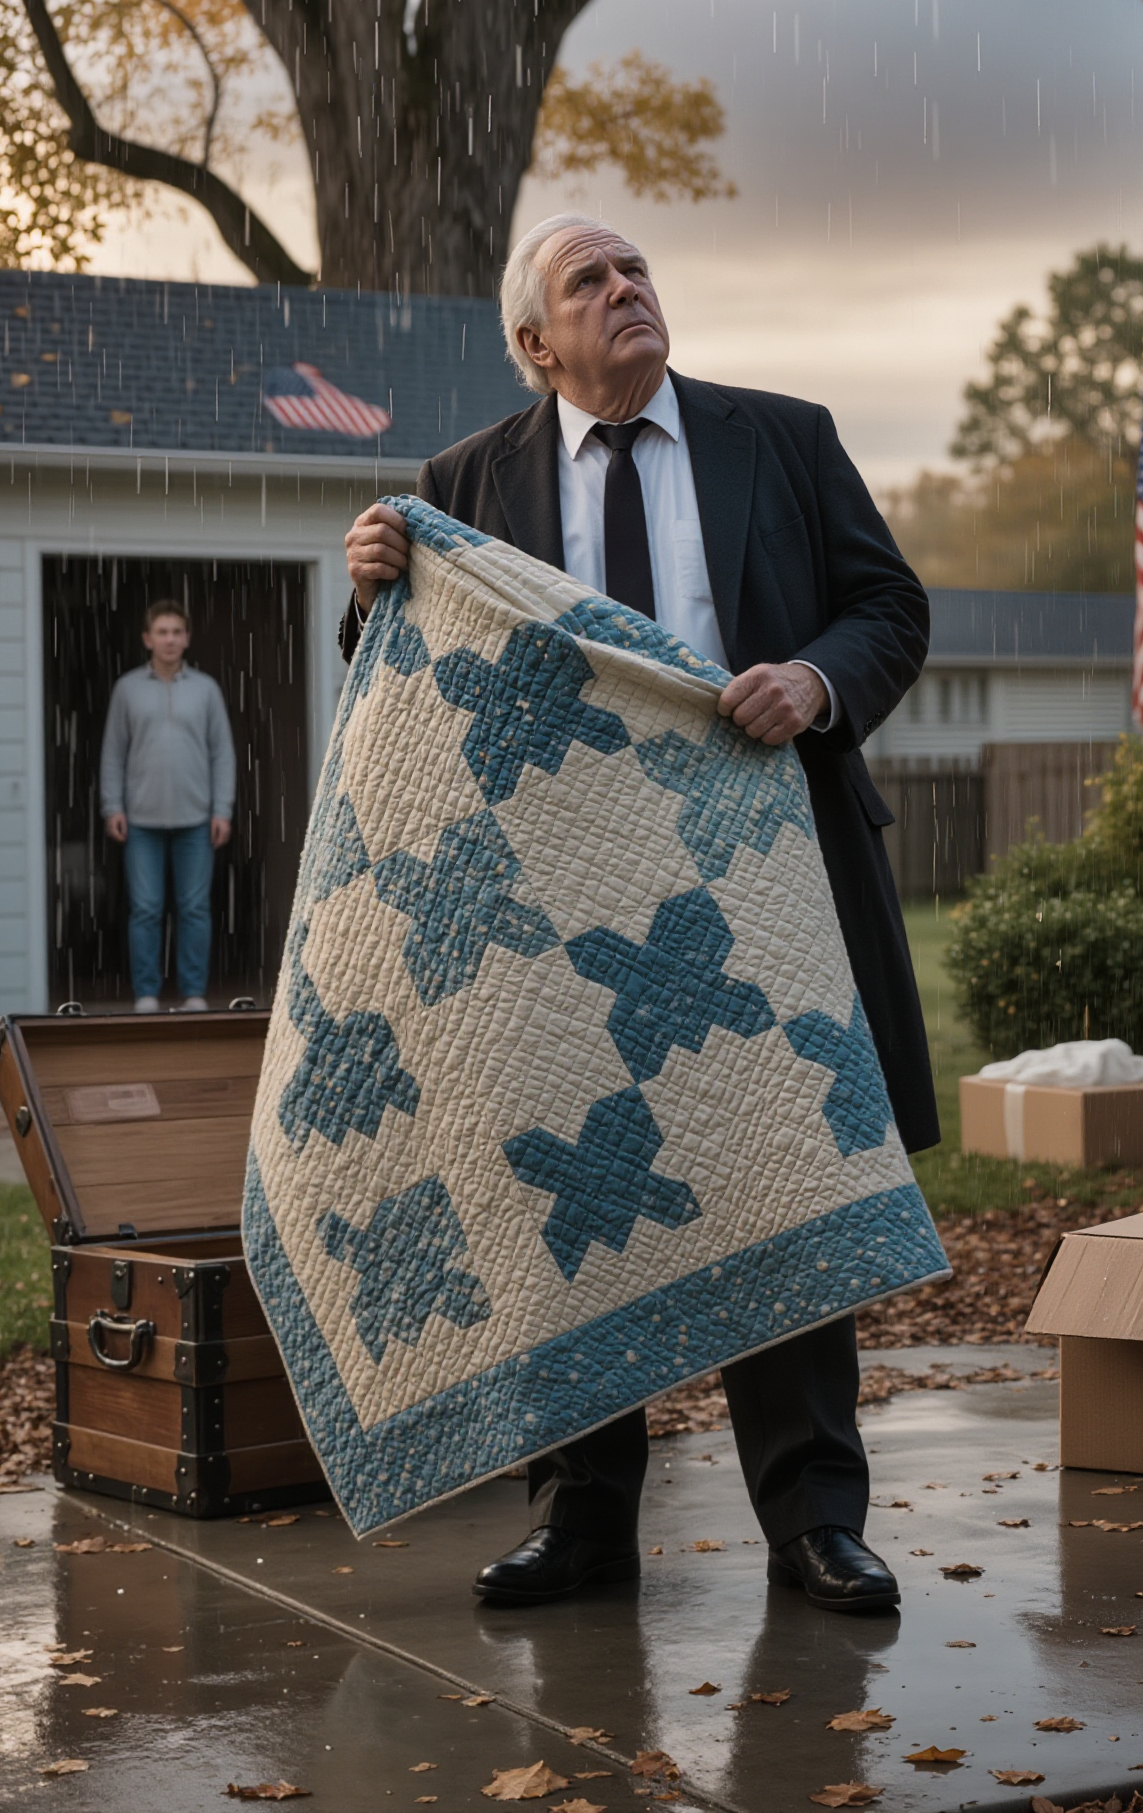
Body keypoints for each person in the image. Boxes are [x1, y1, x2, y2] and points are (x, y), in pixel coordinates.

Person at [341, 213, 937, 1615]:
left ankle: (813, 1521)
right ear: (534, 345)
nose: (627, 292)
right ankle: (585, 1523)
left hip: (768, 876)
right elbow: (410, 697)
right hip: (550, 910)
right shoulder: (461, 484)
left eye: (637, 271)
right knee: (572, 1191)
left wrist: (816, 681)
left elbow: (890, 606)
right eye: (589, 282)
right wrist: (367, 597)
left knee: (779, 1176)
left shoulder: (782, 438)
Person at [100, 599, 235, 1014]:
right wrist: (112, 806)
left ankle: (194, 994)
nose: (170, 639)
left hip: (197, 820)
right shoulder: (127, 689)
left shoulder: (206, 689)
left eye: (177, 631)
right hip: (140, 820)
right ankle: (146, 995)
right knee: (146, 910)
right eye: (162, 631)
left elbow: (222, 754)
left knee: (195, 909)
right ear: (147, 638)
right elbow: (113, 753)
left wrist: (222, 809)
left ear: (187, 638)